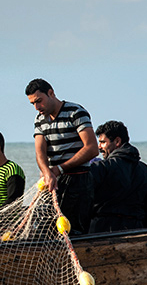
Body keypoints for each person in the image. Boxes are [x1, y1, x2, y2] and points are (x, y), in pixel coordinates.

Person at [26, 78, 98, 235]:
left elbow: (92, 148)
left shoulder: (76, 112)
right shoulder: (39, 119)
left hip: (79, 181)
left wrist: (59, 168)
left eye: (39, 101)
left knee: (74, 231)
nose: (37, 107)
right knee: (48, 231)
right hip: (53, 181)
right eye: (33, 104)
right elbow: (40, 151)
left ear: (51, 93)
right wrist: (47, 172)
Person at [88, 121, 147, 233]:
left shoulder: (100, 168)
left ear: (117, 141)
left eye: (103, 142)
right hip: (136, 231)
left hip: (100, 231)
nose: (99, 147)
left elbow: (83, 200)